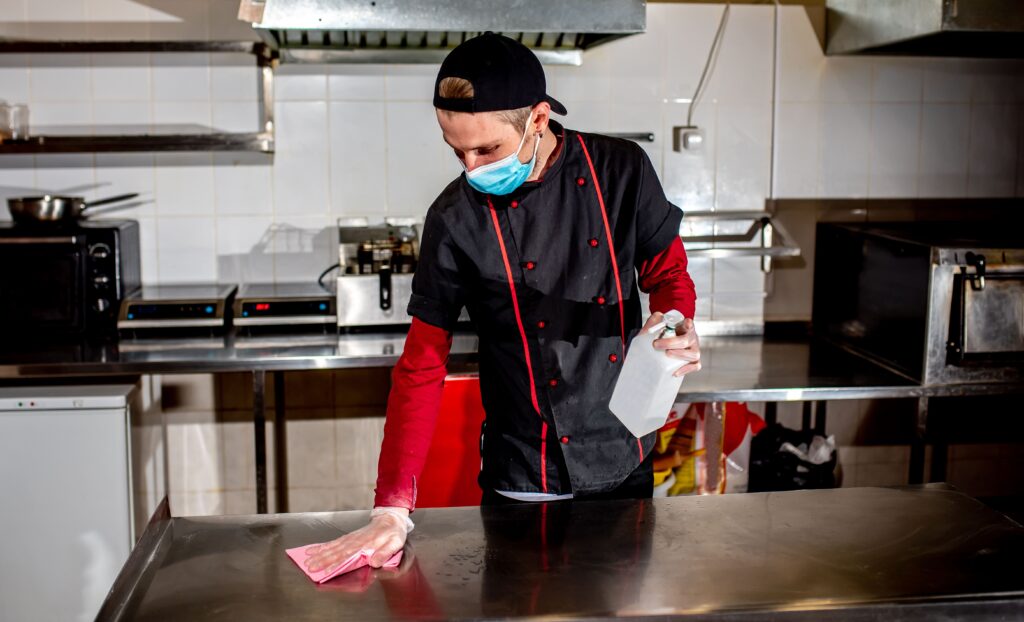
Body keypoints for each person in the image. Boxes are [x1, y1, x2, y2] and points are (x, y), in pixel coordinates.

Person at [307, 32, 699, 574]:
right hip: (522, 472)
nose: (470, 167)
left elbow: (667, 272)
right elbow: (421, 364)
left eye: (486, 149)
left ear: (538, 119)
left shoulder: (620, 170)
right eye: (456, 151)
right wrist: (391, 507)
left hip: (621, 458)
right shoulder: (454, 218)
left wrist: (677, 321)